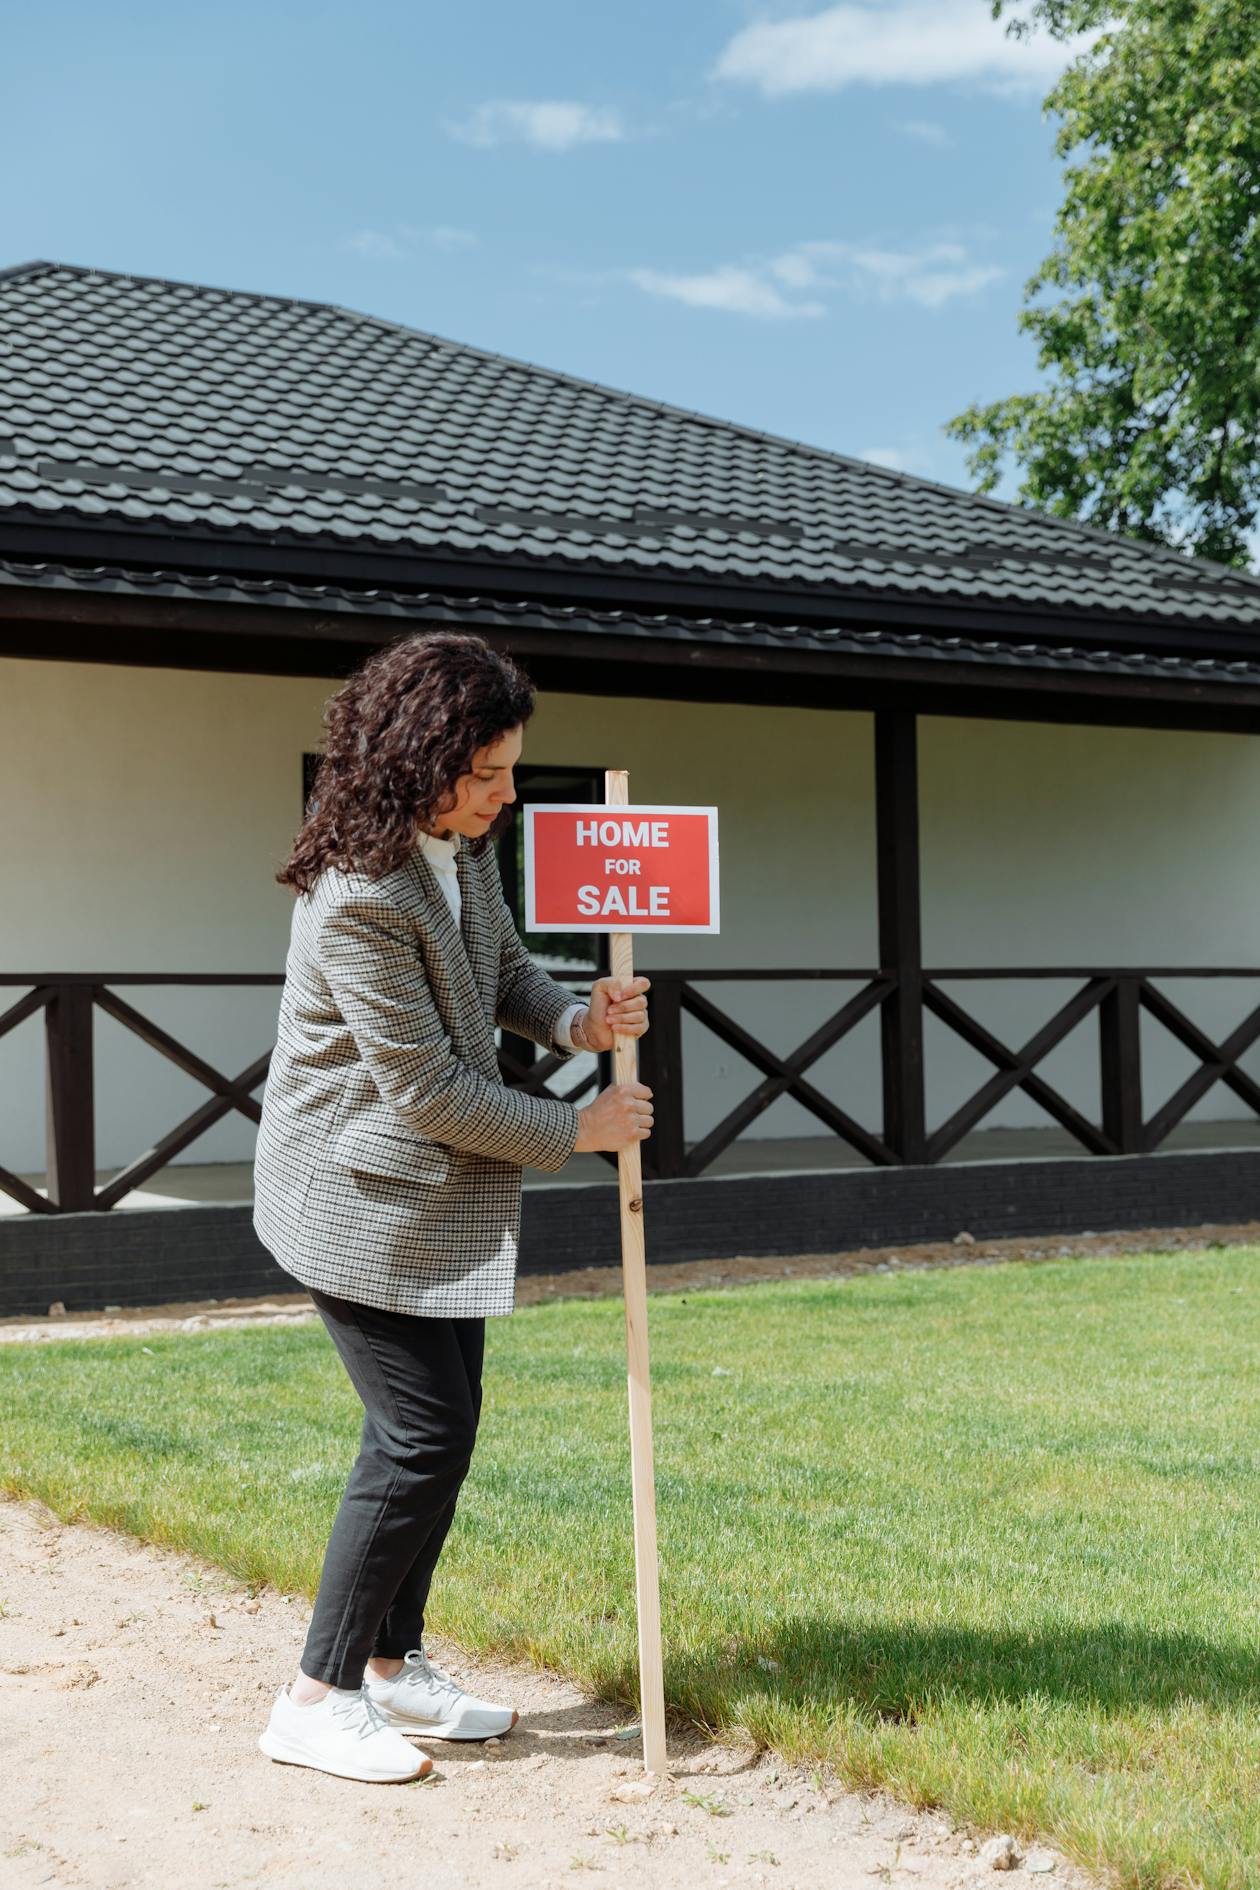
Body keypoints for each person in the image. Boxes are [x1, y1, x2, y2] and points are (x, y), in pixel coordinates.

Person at [251, 630, 653, 1783]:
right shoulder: (358, 898)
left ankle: (393, 1671)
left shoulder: (459, 845)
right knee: (417, 1438)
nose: (505, 793)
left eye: (509, 769)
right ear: (417, 759)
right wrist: (576, 1127)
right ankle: (314, 1697)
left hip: (427, 1193)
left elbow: (503, 972)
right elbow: (426, 1086)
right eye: (485, 773)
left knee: (447, 1430)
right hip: (355, 1196)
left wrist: (578, 1022)